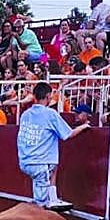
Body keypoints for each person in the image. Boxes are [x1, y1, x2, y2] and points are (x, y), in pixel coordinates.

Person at [17, 81, 90, 212]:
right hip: (40, 163)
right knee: (40, 205)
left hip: (25, 161)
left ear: (34, 96)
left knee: (53, 166)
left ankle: (53, 198)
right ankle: (42, 213)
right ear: (48, 96)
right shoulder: (50, 114)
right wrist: (83, 126)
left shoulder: (25, 114)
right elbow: (68, 134)